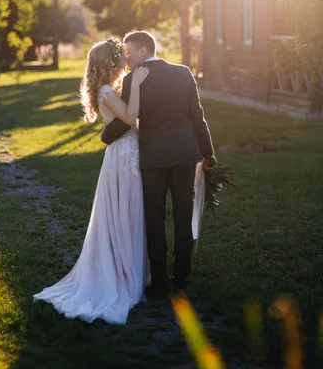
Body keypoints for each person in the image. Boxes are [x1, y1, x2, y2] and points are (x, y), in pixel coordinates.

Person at [33, 38, 150, 324]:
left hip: (127, 154)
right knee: (127, 212)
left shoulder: (110, 88)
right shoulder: (107, 91)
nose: (124, 61)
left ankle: (133, 269)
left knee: (132, 211)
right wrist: (136, 85)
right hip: (124, 157)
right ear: (109, 64)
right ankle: (125, 273)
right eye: (119, 59)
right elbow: (130, 117)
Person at [101, 31, 217, 299]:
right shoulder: (184, 72)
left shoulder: (133, 80)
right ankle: (181, 281)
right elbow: (198, 117)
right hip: (185, 156)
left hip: (153, 158)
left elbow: (127, 120)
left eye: (128, 53)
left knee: (154, 219)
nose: (125, 59)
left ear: (143, 51)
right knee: (182, 216)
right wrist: (208, 154)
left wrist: (105, 135)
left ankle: (159, 282)